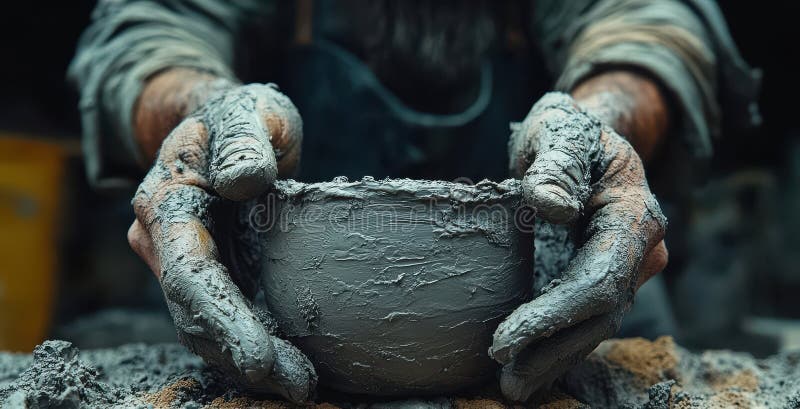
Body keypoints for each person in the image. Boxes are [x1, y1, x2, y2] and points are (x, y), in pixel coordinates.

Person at [69, 0, 759, 403]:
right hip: (271, 338)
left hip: (553, 320)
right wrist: (203, 112)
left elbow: (649, 22)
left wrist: (603, 119)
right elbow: (149, 27)